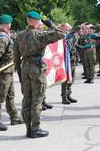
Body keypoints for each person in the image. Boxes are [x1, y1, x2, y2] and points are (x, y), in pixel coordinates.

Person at [14, 10, 65, 138]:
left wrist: (20, 74)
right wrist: (50, 24)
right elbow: (61, 34)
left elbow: (16, 58)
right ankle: (35, 129)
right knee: (37, 100)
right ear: (37, 21)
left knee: (27, 99)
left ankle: (28, 129)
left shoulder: (20, 36)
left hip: (25, 68)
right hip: (36, 69)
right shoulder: (40, 35)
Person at [59, 23, 78, 105]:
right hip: (65, 61)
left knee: (71, 79)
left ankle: (69, 94)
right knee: (65, 79)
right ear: (62, 28)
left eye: (69, 28)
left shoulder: (71, 36)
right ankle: (64, 97)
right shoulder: (61, 36)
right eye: (66, 28)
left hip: (72, 60)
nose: (68, 29)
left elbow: (74, 45)